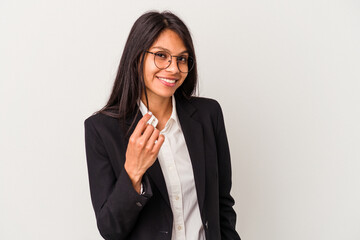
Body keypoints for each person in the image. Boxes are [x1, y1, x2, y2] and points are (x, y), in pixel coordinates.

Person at [84, 10, 241, 240]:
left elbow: (222, 204)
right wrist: (133, 172)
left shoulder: (209, 115)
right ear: (137, 57)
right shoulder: (101, 130)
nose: (174, 68)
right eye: (161, 55)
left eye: (181, 59)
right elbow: (110, 229)